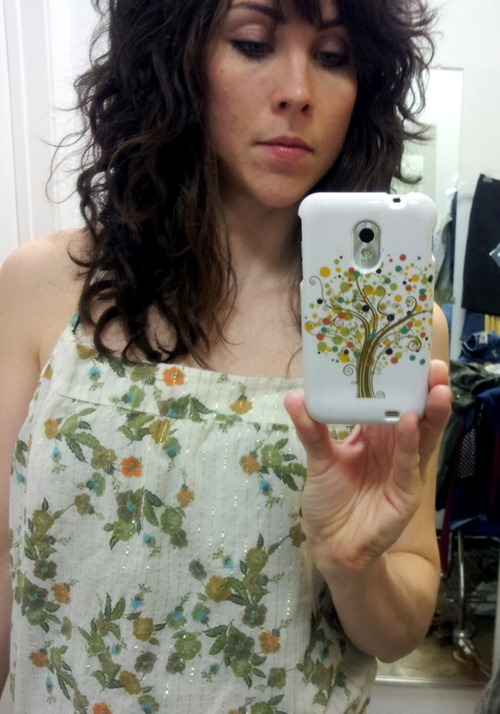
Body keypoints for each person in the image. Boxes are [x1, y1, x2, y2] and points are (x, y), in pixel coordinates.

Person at [0, 0, 452, 712]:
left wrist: (353, 567)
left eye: (333, 56)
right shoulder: (44, 287)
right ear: (173, 60)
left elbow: (398, 629)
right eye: (253, 43)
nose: (298, 90)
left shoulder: (393, 330)